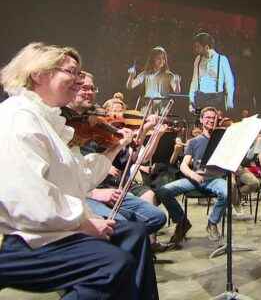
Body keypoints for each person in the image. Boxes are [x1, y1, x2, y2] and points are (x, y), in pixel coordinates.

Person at [0, 42, 158, 299]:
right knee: (113, 264)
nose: (79, 79)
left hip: (43, 226)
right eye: (70, 72)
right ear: (37, 74)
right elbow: (28, 201)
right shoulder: (18, 117)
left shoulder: (47, 121)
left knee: (136, 233)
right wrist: (82, 224)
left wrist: (115, 148)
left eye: (79, 73)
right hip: (15, 239)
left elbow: (80, 177)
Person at [65, 72, 168, 252]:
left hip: (111, 187)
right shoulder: (63, 125)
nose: (89, 92)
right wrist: (94, 193)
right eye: (83, 88)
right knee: (122, 226)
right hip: (87, 192)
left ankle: (131, 250)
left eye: (92, 88)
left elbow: (130, 160)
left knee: (156, 217)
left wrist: (132, 137)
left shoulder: (95, 125)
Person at [156, 106, 228, 248]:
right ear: (201, 120)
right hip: (195, 179)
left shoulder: (222, 141)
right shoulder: (193, 142)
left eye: (214, 118)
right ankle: (182, 222)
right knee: (164, 191)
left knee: (226, 193)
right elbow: (183, 165)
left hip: (214, 179)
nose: (211, 120)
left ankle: (212, 222)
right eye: (207, 117)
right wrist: (192, 174)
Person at [188, 32, 235, 113]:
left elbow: (229, 82)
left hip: (216, 99)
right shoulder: (198, 59)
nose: (196, 49)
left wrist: (229, 102)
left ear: (206, 47)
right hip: (200, 99)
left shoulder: (222, 60)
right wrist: (191, 101)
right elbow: (194, 81)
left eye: (198, 47)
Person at [126, 46, 181, 113]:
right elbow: (130, 86)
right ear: (153, 59)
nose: (161, 60)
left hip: (162, 110)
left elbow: (177, 91)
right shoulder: (145, 74)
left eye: (163, 58)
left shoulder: (169, 75)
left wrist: (177, 82)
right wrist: (131, 76)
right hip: (147, 108)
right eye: (158, 58)